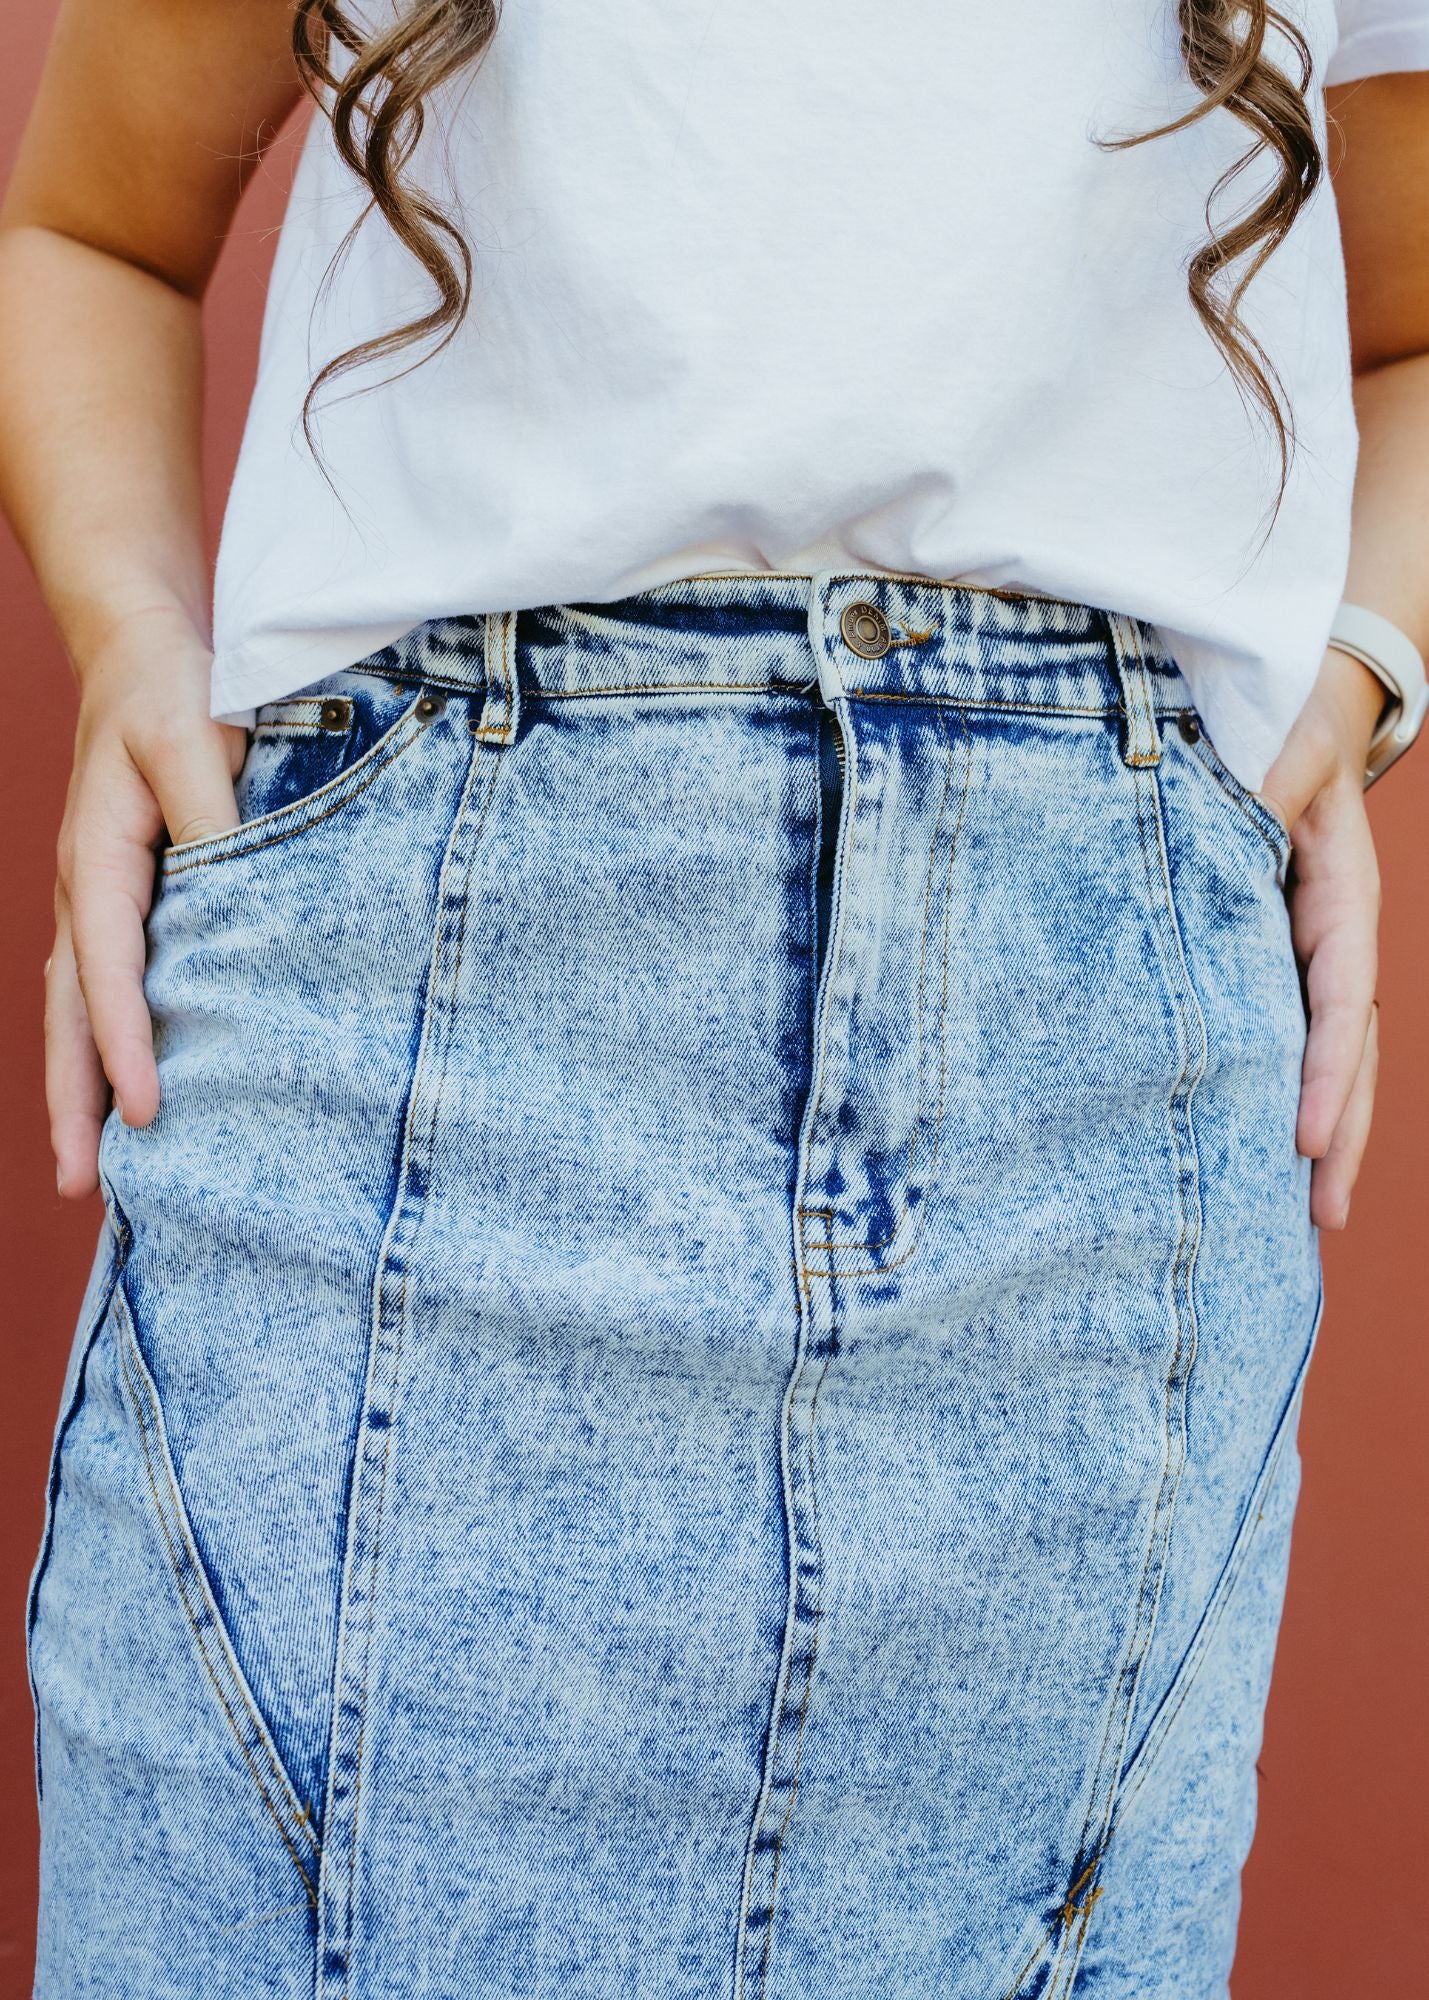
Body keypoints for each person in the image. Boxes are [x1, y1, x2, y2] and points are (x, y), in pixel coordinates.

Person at [2, 2, 1426, 1994]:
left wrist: (1349, 674)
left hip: (1082, 1170)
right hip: (389, 1066)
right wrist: (132, 638)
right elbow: (93, 230)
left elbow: (1414, 322)